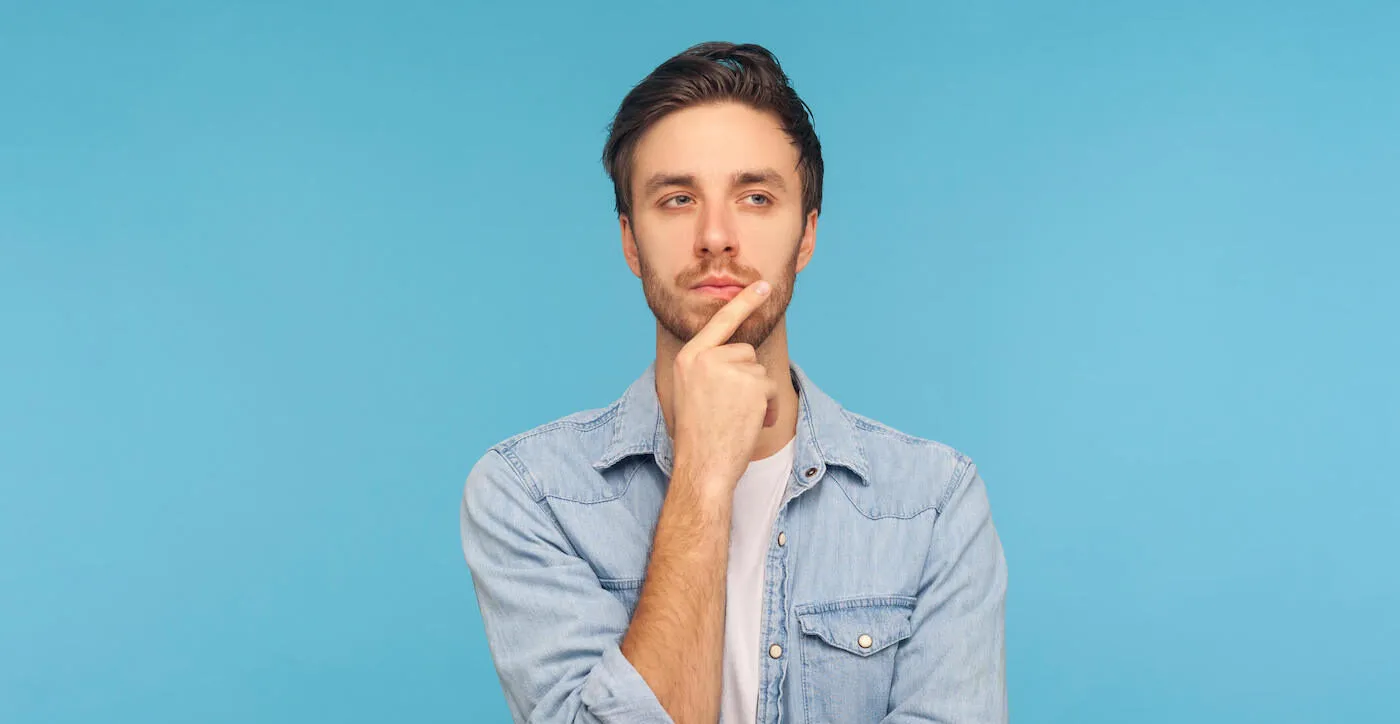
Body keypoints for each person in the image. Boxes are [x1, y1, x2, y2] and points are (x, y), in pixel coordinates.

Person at [460, 41, 1007, 724]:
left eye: (755, 197)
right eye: (678, 197)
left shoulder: (932, 504)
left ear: (806, 235)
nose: (716, 236)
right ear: (630, 241)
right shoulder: (530, 495)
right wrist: (703, 474)